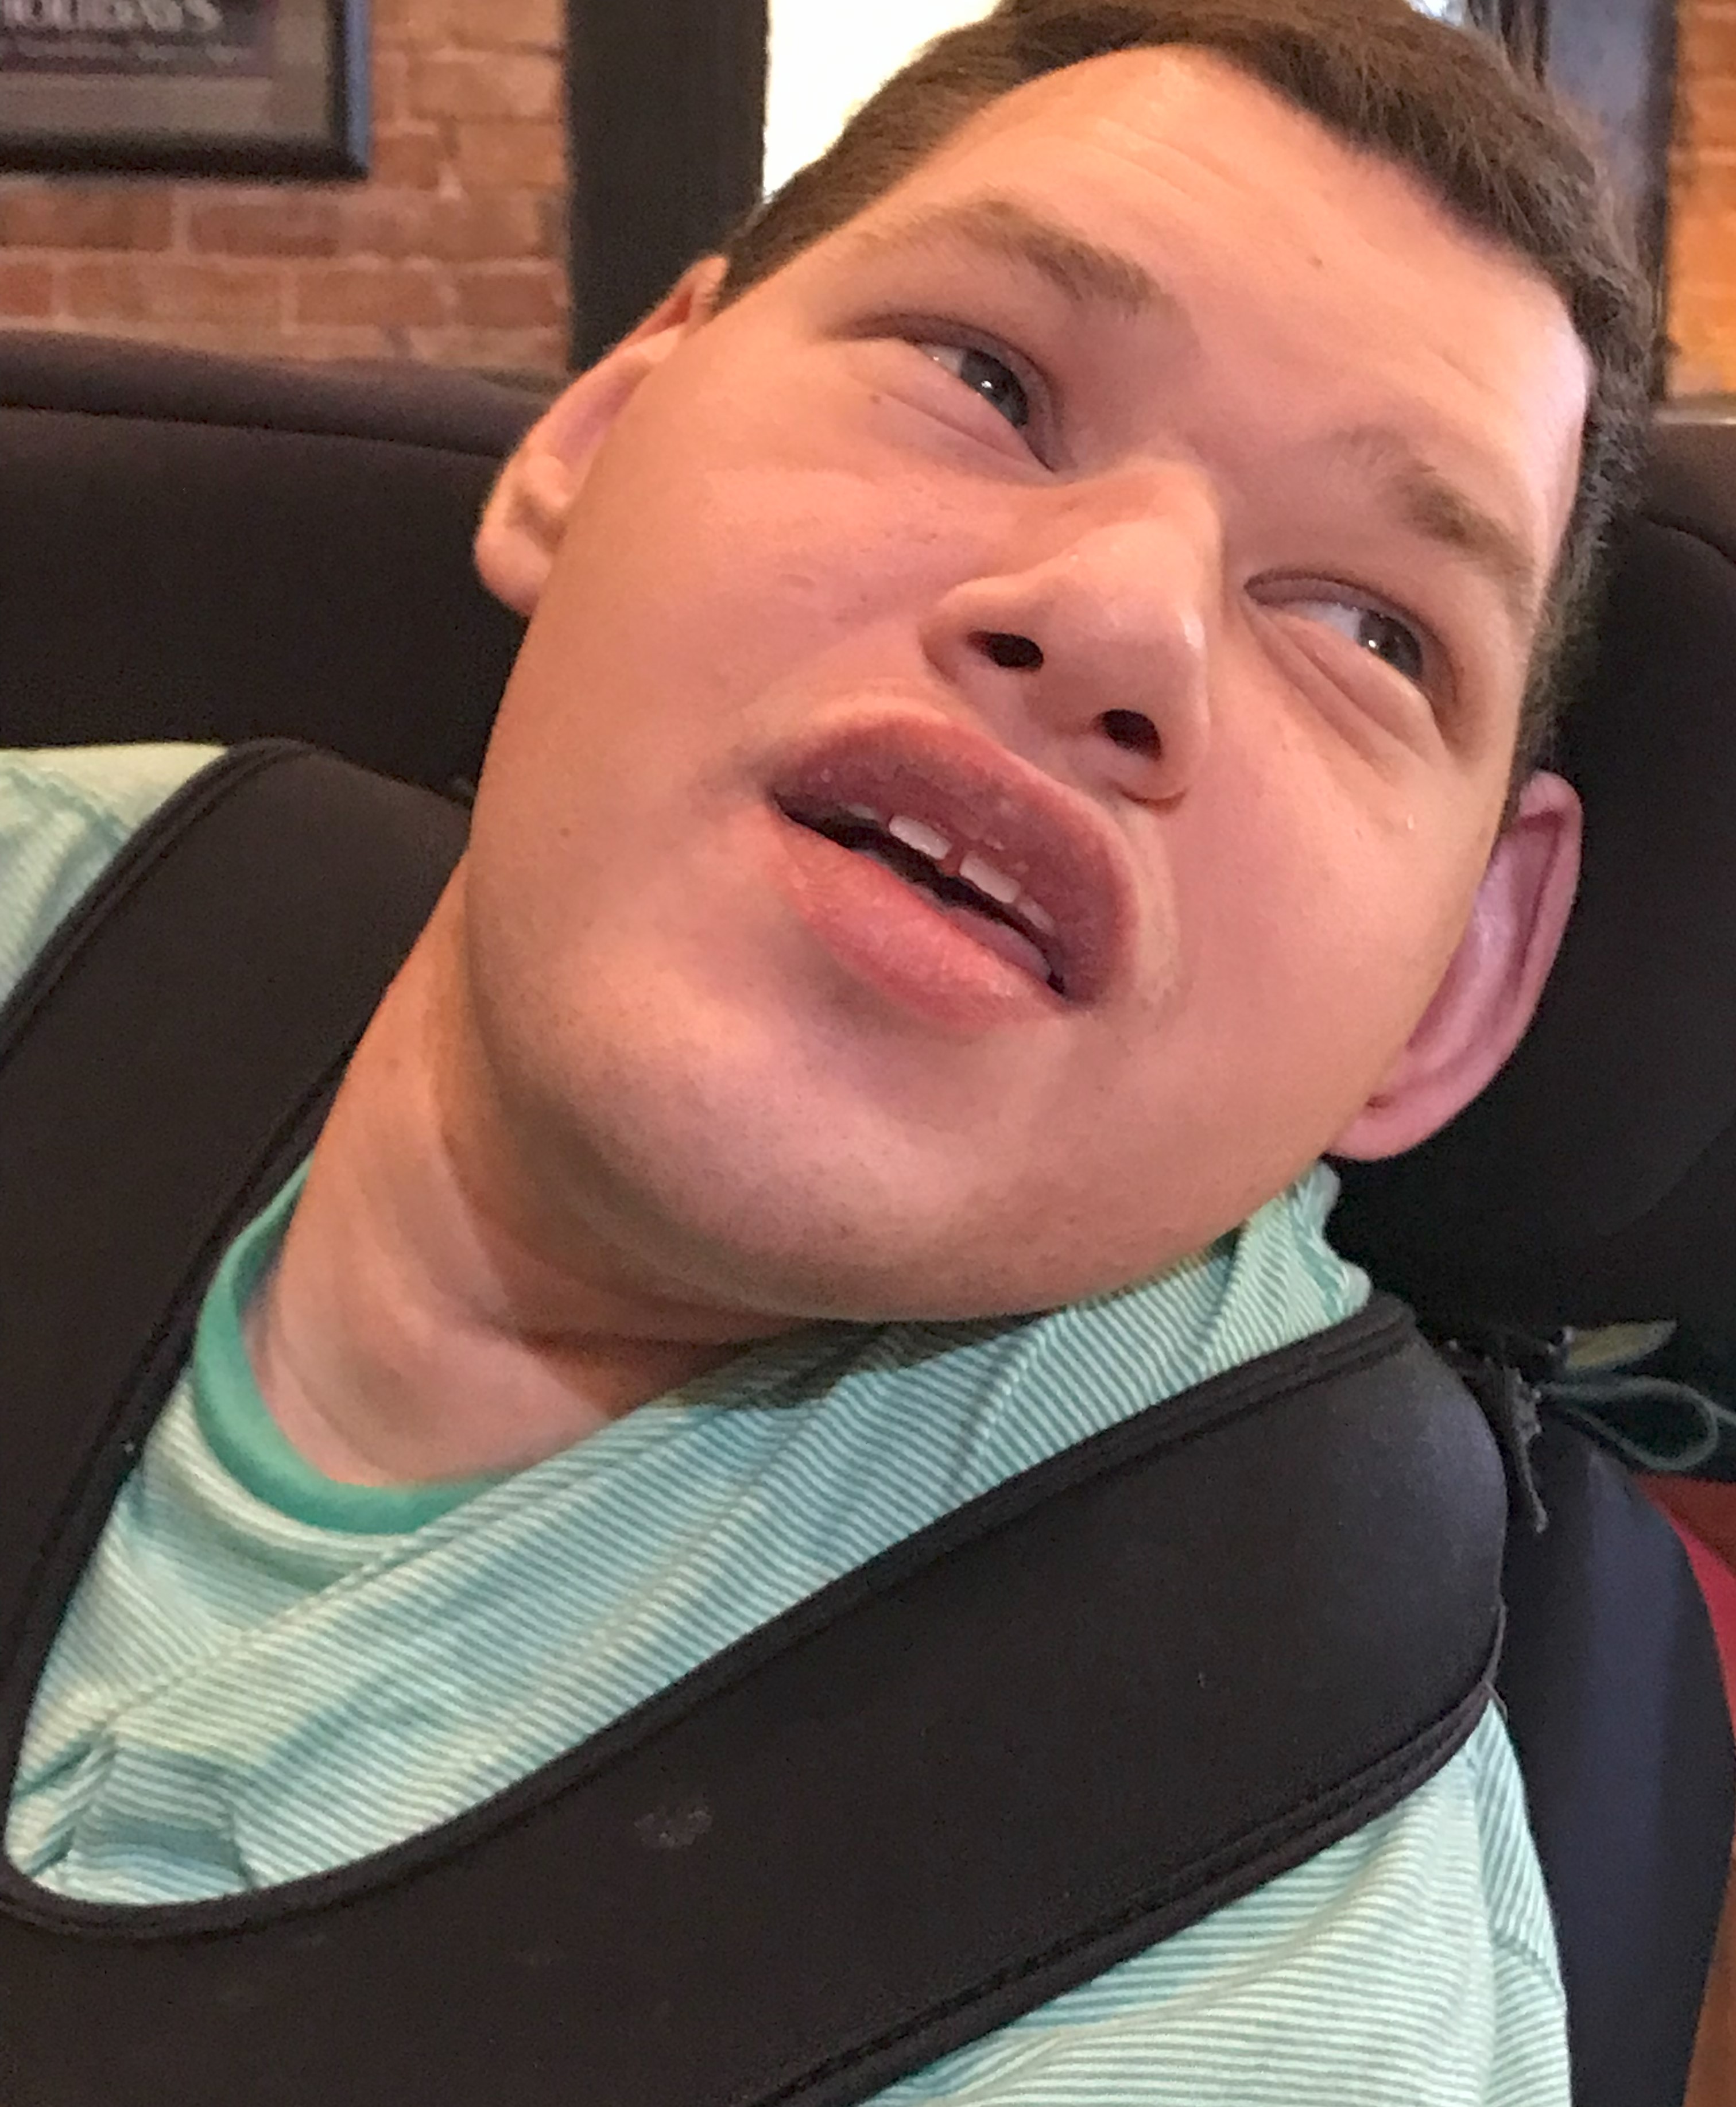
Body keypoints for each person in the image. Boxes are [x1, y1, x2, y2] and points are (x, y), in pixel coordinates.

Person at [0, 0, 1656, 2094]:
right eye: (985, 379)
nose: (1122, 617)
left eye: (1370, 630)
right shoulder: (55, 884)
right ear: (605, 432)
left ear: (1455, 980)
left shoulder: (1249, 1955)